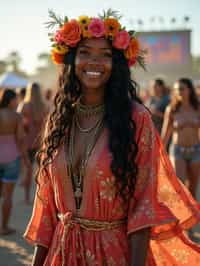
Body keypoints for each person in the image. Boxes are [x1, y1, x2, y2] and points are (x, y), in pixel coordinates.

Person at [24, 11, 200, 266]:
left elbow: (144, 206)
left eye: (105, 55)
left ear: (116, 64)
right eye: (85, 52)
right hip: (61, 255)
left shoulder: (137, 119)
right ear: (72, 59)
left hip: (113, 254)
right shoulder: (59, 119)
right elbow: (47, 210)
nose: (94, 62)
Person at [162, 78, 200, 199]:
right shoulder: (172, 109)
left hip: (195, 150)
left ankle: (193, 216)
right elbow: (165, 133)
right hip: (178, 151)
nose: (179, 92)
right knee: (181, 185)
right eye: (176, 90)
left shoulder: (197, 107)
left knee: (193, 187)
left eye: (182, 89)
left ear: (189, 90)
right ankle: (183, 216)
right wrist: (160, 152)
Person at [0, 89, 30, 235]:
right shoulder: (16, 116)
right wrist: (27, 161)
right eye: (15, 99)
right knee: (7, 196)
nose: (17, 102)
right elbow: (20, 139)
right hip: (12, 158)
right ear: (10, 100)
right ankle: (4, 227)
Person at [17, 82, 47, 204]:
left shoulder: (24, 105)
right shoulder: (44, 106)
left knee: (28, 170)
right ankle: (42, 197)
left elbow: (18, 122)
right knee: (42, 171)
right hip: (41, 141)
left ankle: (27, 197)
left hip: (27, 142)